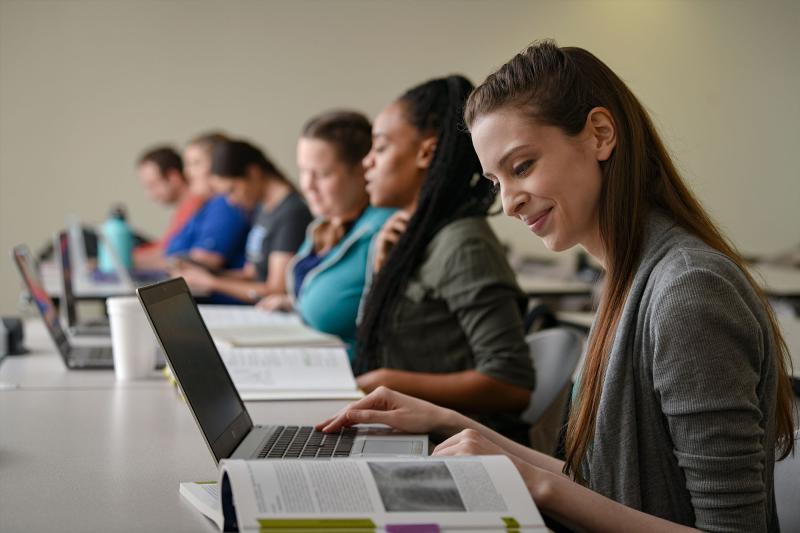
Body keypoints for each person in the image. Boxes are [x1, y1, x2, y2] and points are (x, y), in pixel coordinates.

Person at [320, 41, 797, 532]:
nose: (508, 203)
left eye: (522, 166)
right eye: (495, 181)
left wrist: (535, 483)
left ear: (600, 134)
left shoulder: (689, 291)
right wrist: (442, 418)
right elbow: (599, 486)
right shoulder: (630, 276)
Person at [354, 75, 536, 444]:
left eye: (381, 147)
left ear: (425, 153)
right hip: (413, 436)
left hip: (458, 448)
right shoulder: (411, 239)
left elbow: (511, 383)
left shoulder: (462, 243)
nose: (367, 163)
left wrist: (386, 382)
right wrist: (381, 272)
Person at [257, 110, 393, 359]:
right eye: (303, 170)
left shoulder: (386, 229)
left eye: (321, 174)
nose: (306, 185)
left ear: (362, 169)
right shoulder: (325, 223)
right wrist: (294, 302)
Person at [177, 139, 311, 303]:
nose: (231, 201)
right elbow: (251, 274)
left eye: (232, 190)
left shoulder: (292, 213)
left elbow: (276, 290)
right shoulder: (262, 208)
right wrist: (203, 274)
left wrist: (213, 282)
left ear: (253, 173)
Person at [165, 133, 252, 272]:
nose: (187, 172)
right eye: (187, 164)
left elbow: (203, 261)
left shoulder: (225, 204)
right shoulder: (206, 206)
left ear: (219, 165)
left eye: (195, 163)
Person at [133, 146, 204, 269]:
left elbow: (165, 253)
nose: (150, 195)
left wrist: (124, 259)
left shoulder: (194, 205)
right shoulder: (183, 208)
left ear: (173, 177)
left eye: (153, 185)